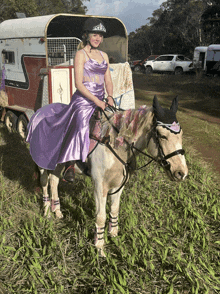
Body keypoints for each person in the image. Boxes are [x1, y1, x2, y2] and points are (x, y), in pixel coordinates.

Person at [26, 17, 114, 182]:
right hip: (83, 100)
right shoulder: (81, 54)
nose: (98, 38)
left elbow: (108, 80)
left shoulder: (104, 56)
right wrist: (96, 101)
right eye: (95, 34)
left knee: (115, 121)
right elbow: (78, 84)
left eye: (101, 36)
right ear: (86, 35)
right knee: (81, 122)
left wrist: (109, 96)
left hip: (102, 99)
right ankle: (70, 164)